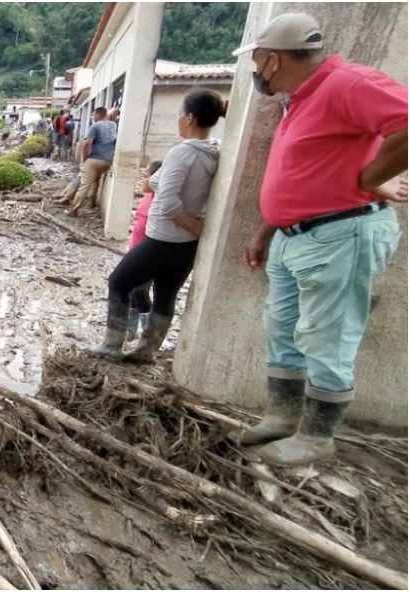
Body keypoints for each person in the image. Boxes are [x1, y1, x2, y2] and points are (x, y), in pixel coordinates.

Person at [231, 13, 407, 465]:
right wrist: (266, 228)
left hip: (338, 235)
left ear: (273, 59)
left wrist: (371, 178)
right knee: (282, 327)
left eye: (256, 61)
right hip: (293, 237)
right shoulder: (299, 99)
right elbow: (299, 174)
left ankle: (315, 437)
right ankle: (283, 415)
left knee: (327, 336)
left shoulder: (346, 85)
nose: (255, 70)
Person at [86, 90, 226, 363]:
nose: (177, 119)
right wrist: (196, 230)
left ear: (189, 118)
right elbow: (153, 184)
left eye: (179, 114)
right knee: (165, 295)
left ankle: (112, 345)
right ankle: (145, 352)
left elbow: (168, 203)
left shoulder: (182, 153)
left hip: (165, 239)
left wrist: (193, 227)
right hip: (186, 245)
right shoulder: (215, 151)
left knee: (118, 282)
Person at [125, 160, 164, 340]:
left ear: (156, 178)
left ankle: (148, 332)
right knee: (132, 289)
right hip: (134, 249)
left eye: (146, 175)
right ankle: (131, 330)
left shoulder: (160, 200)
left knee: (139, 291)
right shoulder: (147, 195)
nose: (143, 178)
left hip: (148, 253)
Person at [63, 107, 117, 217]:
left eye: (93, 115)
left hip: (95, 159)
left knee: (85, 184)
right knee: (96, 180)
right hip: (108, 161)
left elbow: (87, 143)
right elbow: (113, 112)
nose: (92, 117)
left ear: (97, 115)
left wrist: (84, 158)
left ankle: (73, 210)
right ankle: (92, 202)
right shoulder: (113, 125)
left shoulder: (94, 126)